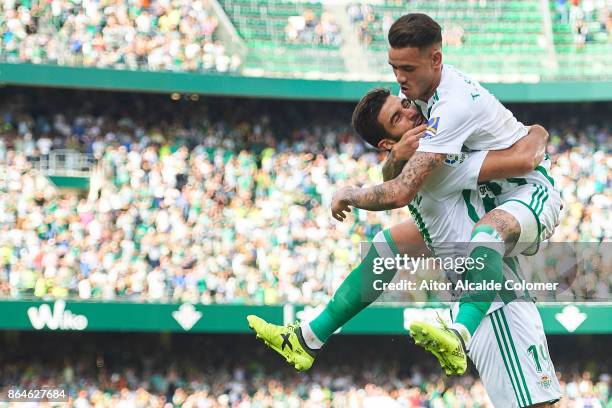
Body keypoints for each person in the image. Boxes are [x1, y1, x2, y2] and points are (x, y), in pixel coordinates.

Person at [248, 90, 562, 407]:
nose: (410, 113)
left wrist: (392, 161)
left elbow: (395, 185)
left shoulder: (419, 157)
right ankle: (313, 337)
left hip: (481, 297)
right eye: (398, 117)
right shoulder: (440, 162)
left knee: (388, 244)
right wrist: (538, 132)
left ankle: (309, 337)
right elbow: (522, 160)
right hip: (497, 305)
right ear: (388, 144)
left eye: (405, 106)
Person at [329, 13, 562, 377]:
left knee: (487, 232)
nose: (399, 79)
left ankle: (459, 330)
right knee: (389, 245)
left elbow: (524, 159)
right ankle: (311, 334)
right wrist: (396, 156)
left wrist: (350, 193)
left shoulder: (451, 107)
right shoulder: (419, 102)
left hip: (530, 194)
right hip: (484, 202)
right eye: (393, 68)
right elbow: (397, 171)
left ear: (435, 59)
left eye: (407, 68)